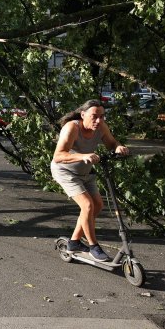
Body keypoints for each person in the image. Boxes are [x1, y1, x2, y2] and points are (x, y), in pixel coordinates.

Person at [51, 99, 129, 262]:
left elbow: (111, 142)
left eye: (102, 116)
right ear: (83, 114)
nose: (99, 120)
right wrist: (83, 156)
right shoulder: (72, 127)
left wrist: (118, 147)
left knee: (98, 205)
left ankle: (74, 242)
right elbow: (58, 156)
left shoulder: (100, 126)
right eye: (94, 116)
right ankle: (94, 246)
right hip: (65, 172)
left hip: (85, 172)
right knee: (87, 205)